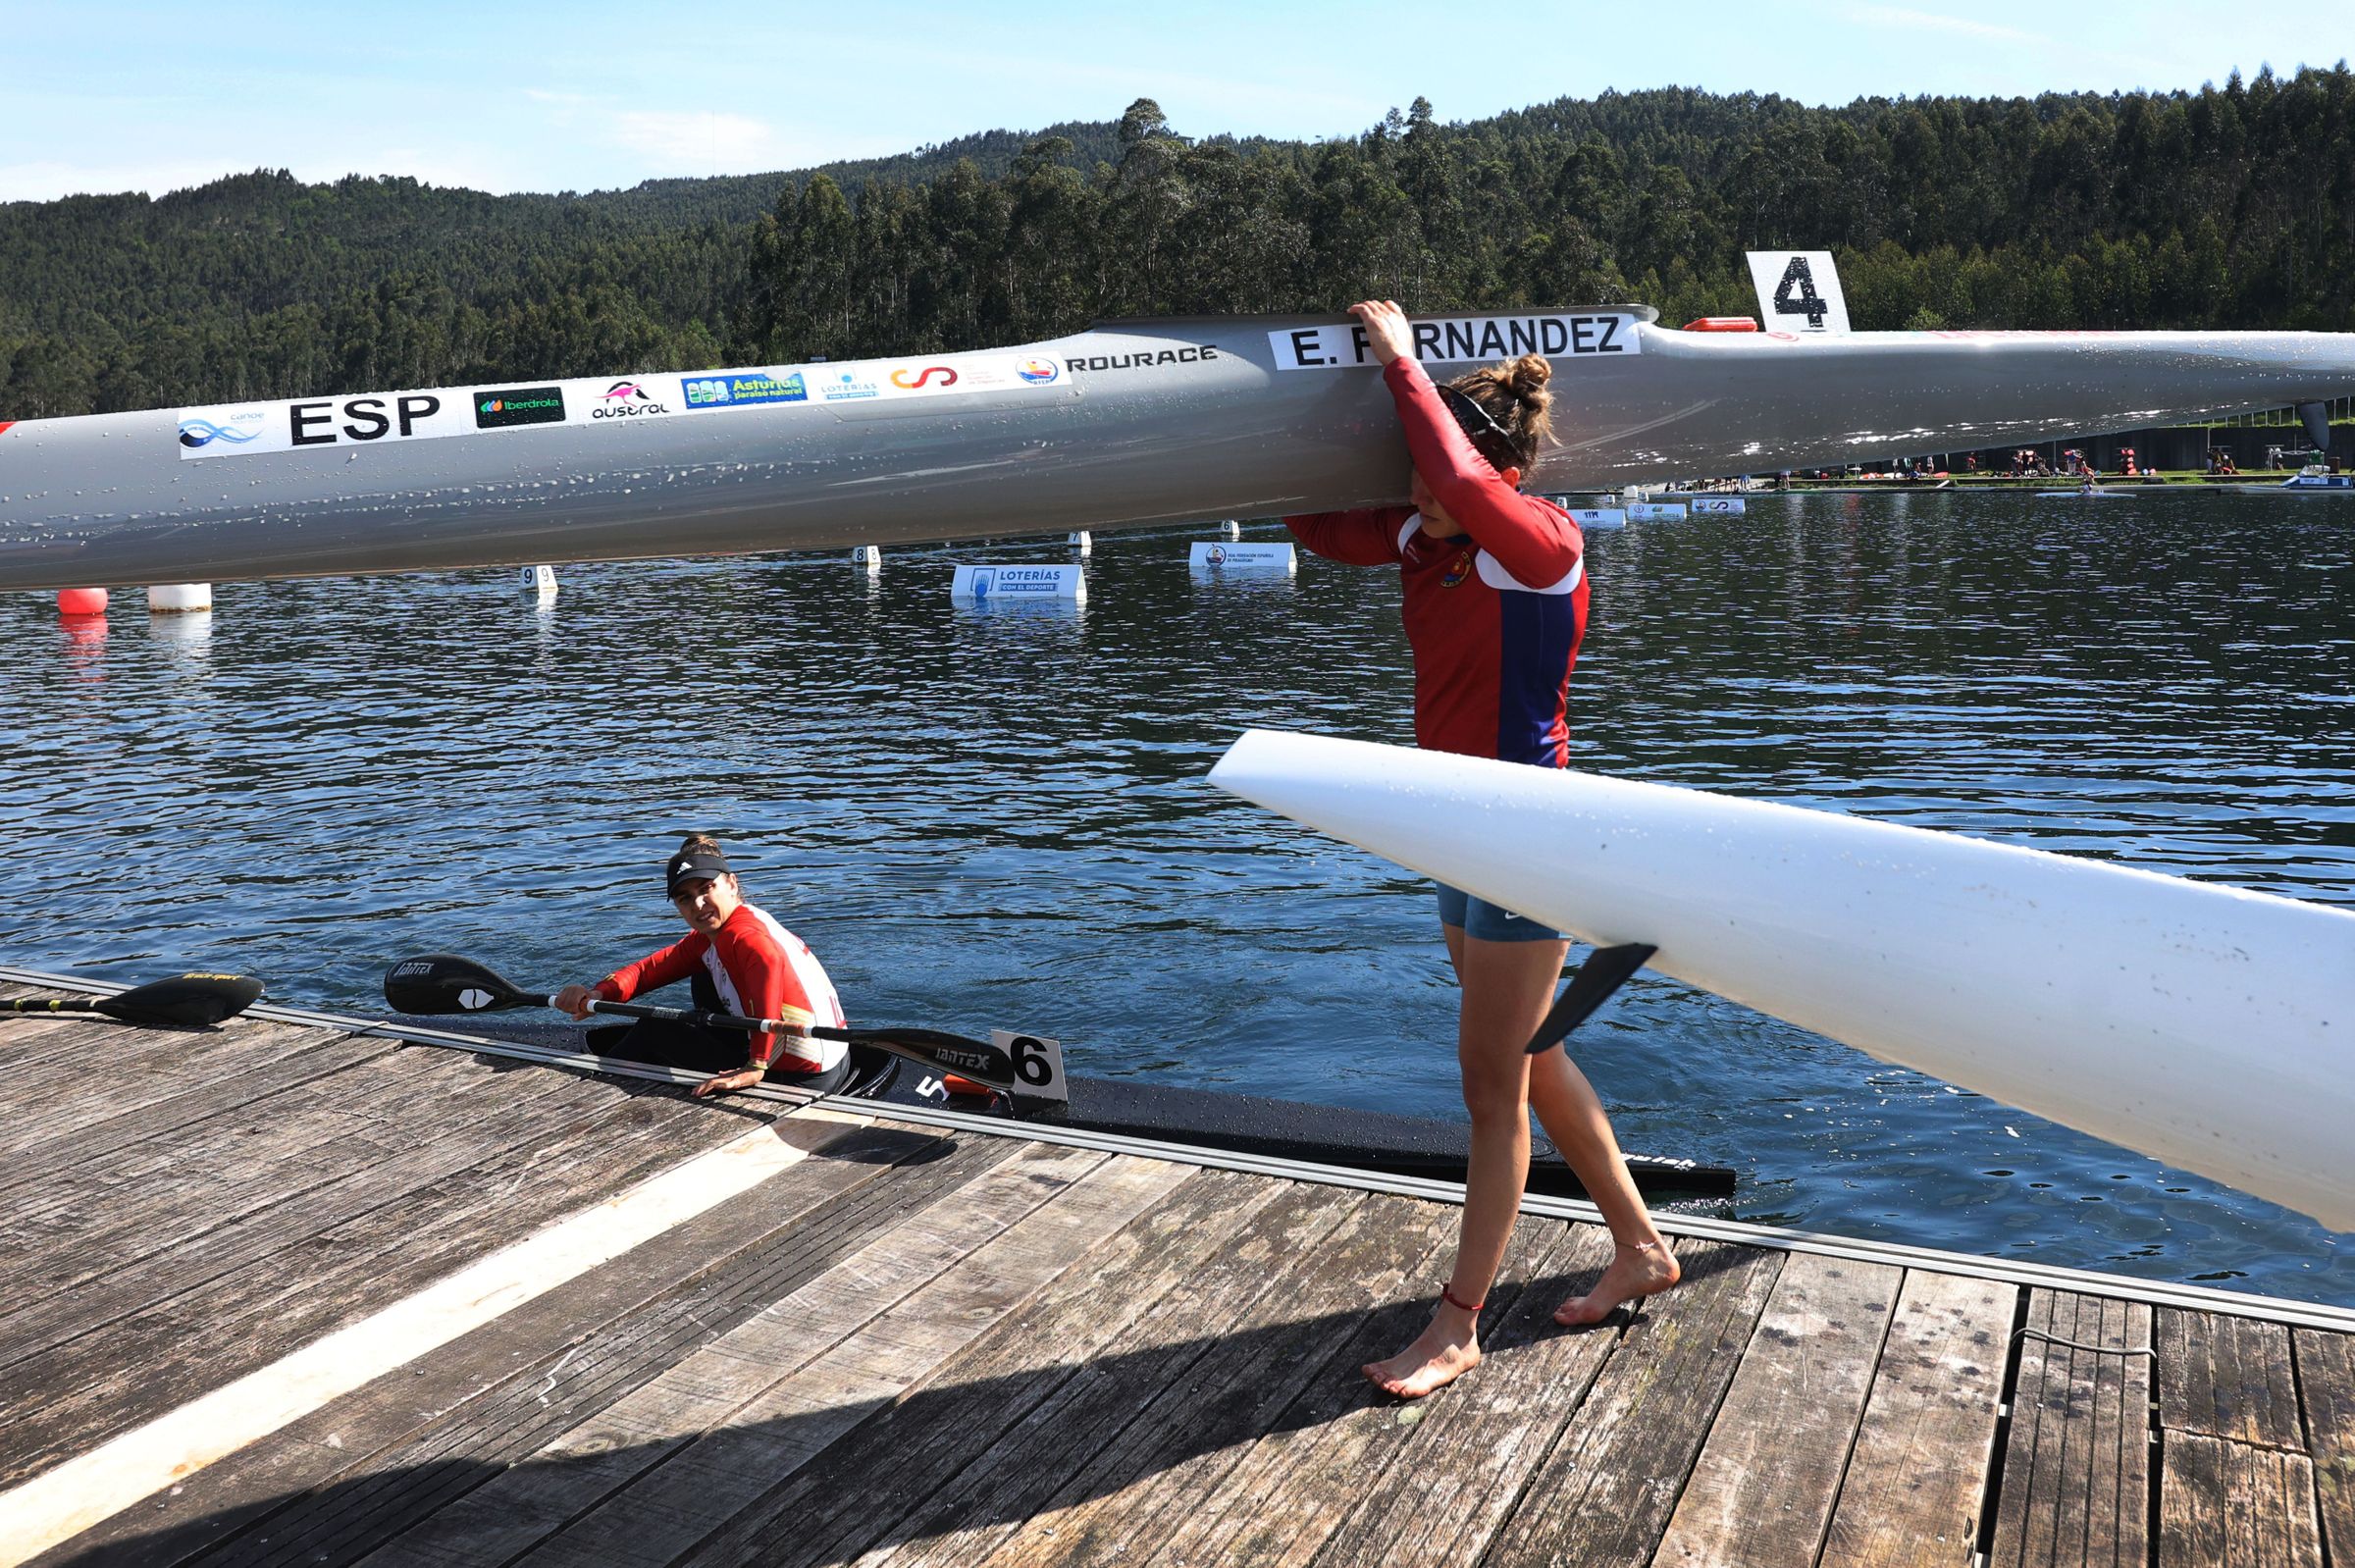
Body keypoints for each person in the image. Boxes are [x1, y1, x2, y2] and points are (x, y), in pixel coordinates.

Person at [1285, 300, 1678, 1400]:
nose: (1415, 481)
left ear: (1489, 465)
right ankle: (1643, 1248)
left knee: (1488, 1080)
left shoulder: (1544, 545)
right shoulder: (1432, 536)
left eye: (1431, 460)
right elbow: (1316, 529)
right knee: (1534, 1056)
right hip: (1458, 828)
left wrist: (1403, 364)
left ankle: (1459, 1325)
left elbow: (1459, 487)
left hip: (1526, 837)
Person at [554, 835, 850, 1097]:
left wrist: (756, 1065)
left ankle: (588, 1092)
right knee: (700, 974)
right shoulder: (717, 935)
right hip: (837, 1060)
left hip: (802, 1079)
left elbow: (767, 962)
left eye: (707, 889)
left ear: (731, 884)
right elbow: (647, 971)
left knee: (654, 1030)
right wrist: (599, 994)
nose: (698, 904)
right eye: (686, 899)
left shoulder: (744, 935)